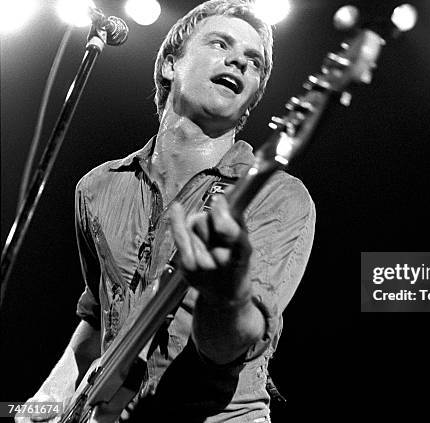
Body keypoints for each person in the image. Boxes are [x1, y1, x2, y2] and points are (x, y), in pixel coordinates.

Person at [18, 1, 315, 422]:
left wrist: (225, 293)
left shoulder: (276, 197)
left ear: (250, 99)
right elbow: (99, 318)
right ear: (170, 64)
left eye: (254, 61)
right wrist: (47, 399)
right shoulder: (98, 187)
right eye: (220, 43)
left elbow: (225, 348)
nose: (239, 61)